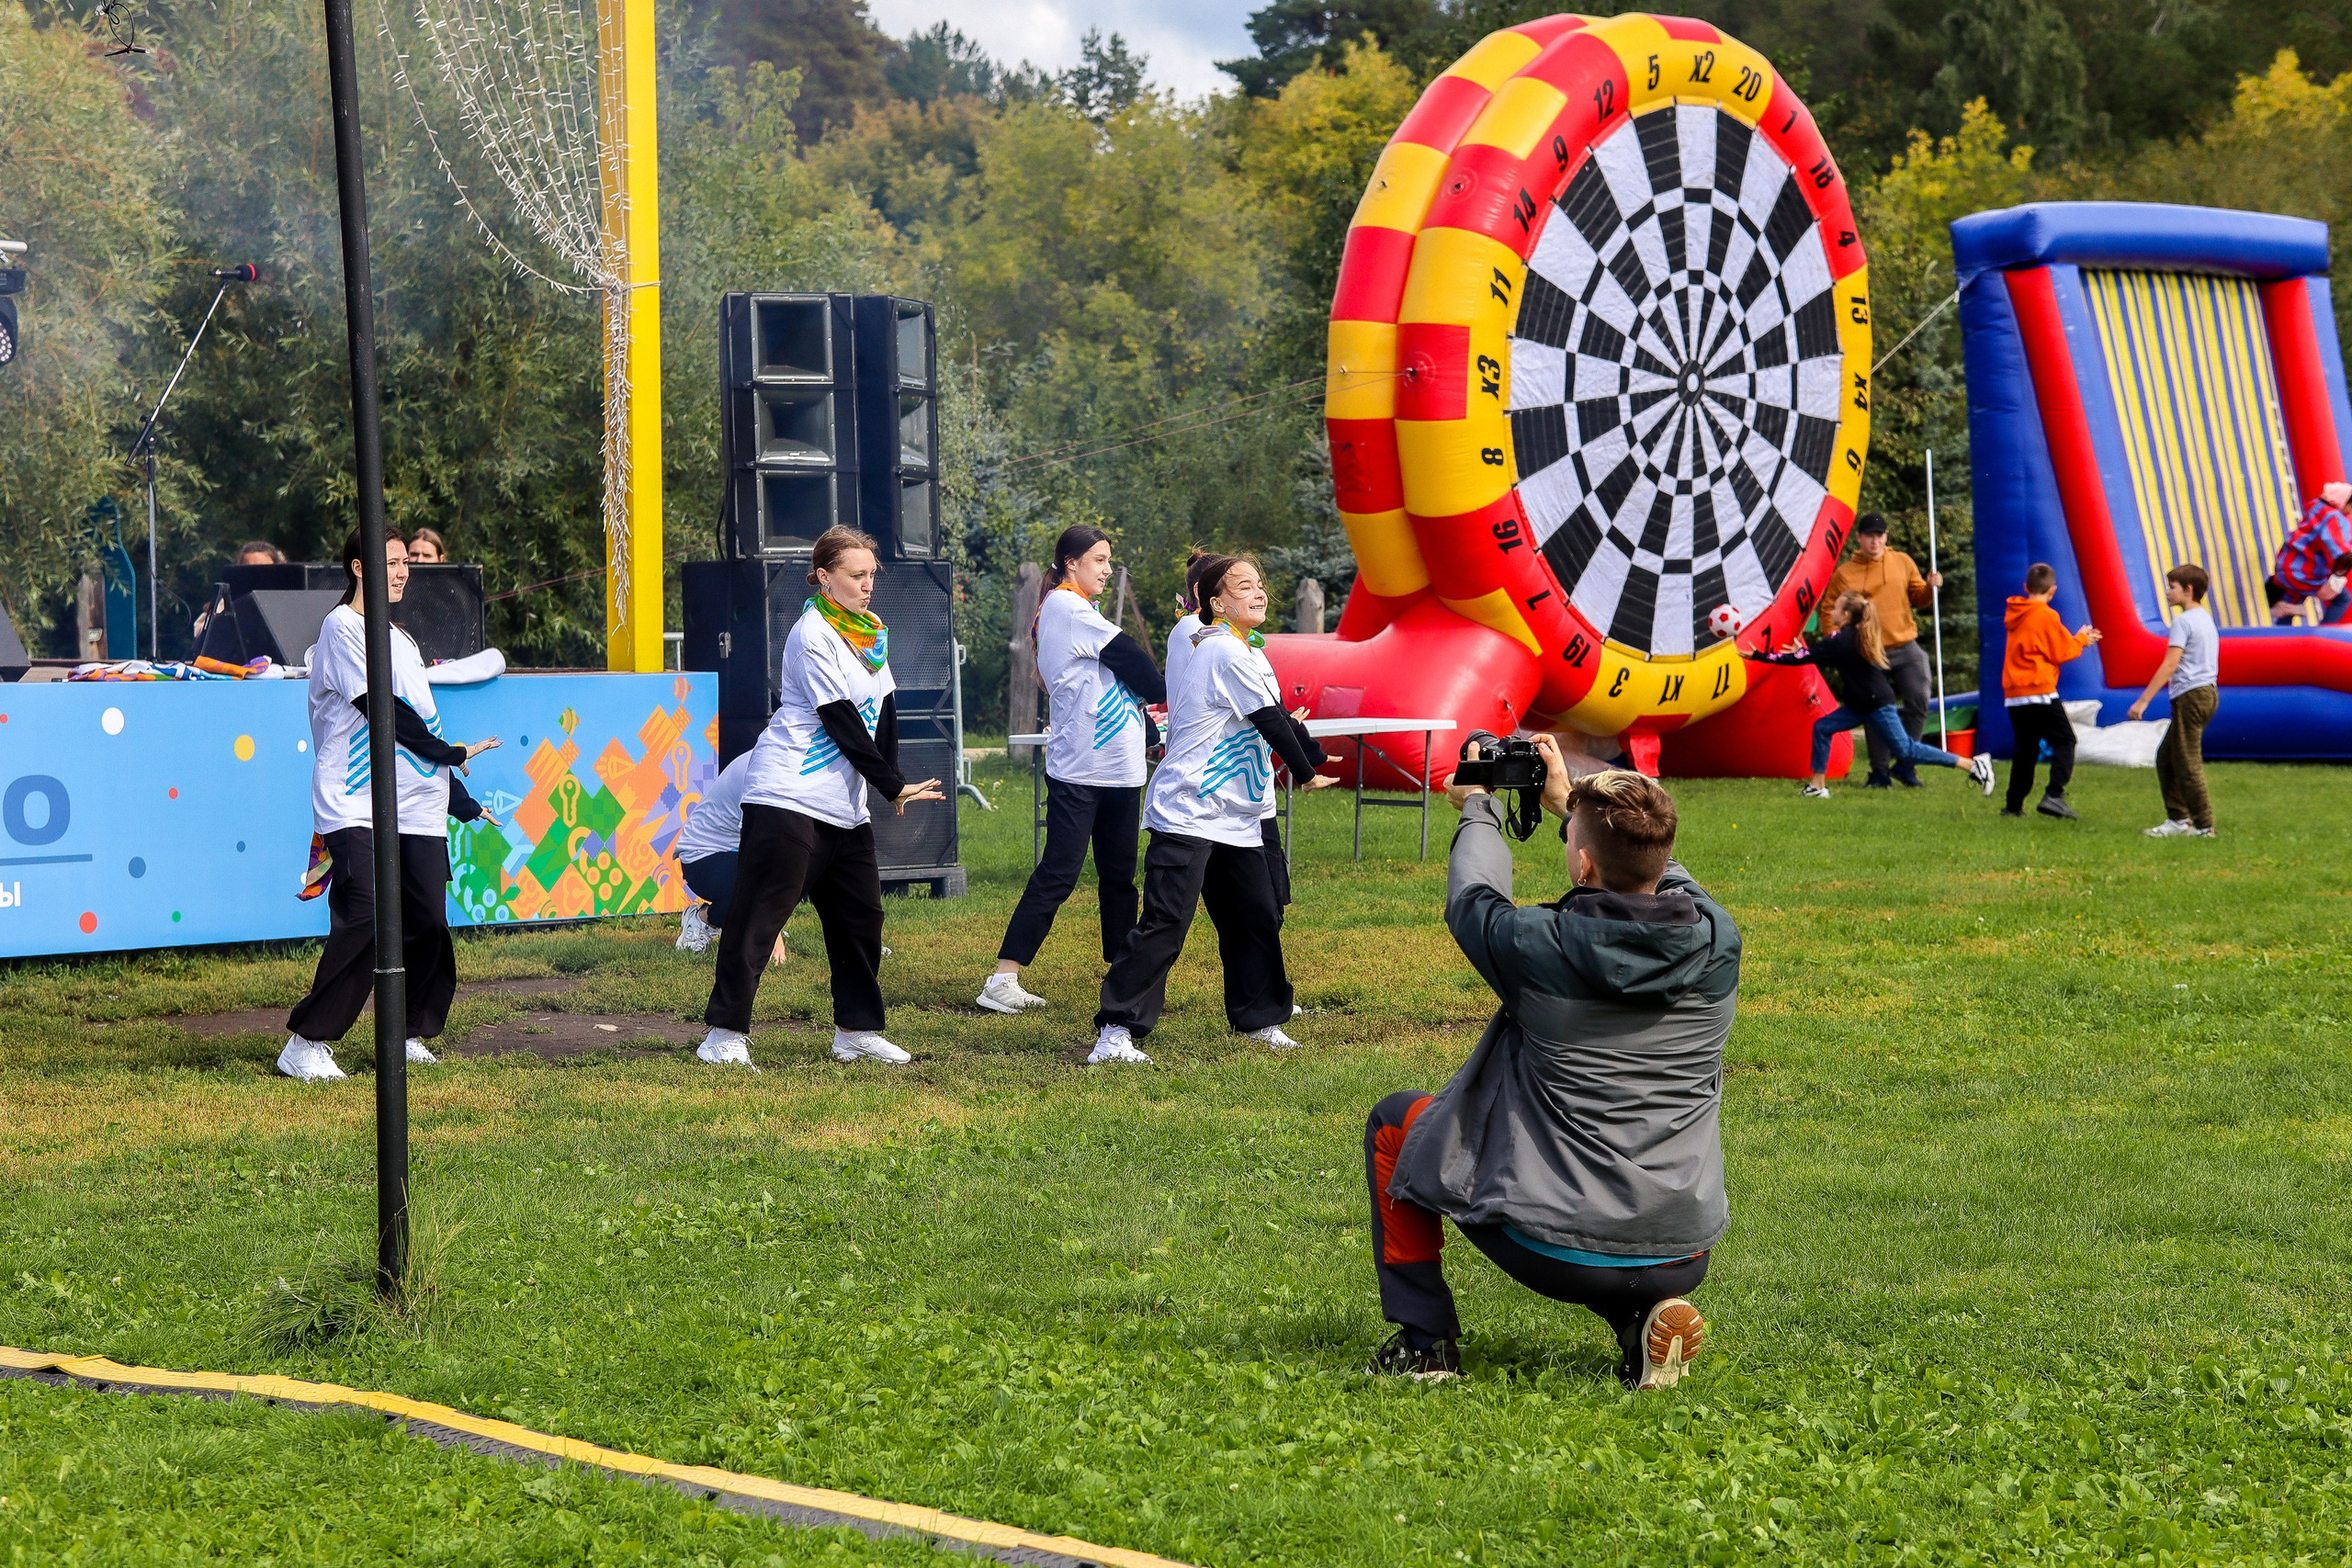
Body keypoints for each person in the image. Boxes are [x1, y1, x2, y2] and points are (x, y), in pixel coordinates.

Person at [1364, 740, 1735, 1389]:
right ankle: (1642, 1322)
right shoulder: (1718, 938)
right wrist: (1571, 805)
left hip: (1561, 1249)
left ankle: (1426, 1347)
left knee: (1396, 1123)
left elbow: (1473, 896)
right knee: (1619, 1249)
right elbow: (1662, 872)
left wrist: (1479, 806)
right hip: (1684, 1245)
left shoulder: (1536, 945)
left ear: (1583, 861)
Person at [695, 526, 944, 1069]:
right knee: (759, 917)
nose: (868, 585)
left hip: (844, 808)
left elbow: (884, 709)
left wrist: (893, 782)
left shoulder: (870, 631)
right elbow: (840, 719)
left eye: (872, 575)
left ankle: (855, 1033)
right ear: (825, 577)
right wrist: (889, 784)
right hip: (787, 795)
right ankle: (722, 1035)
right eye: (857, 575)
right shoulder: (812, 633)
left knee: (861, 922)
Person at [1090, 556, 1334, 1065]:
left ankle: (1259, 1019)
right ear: (1216, 603)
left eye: (1259, 584)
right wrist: (1306, 773)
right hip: (1189, 809)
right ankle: (1115, 1032)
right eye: (1244, 587)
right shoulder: (1221, 648)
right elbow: (1269, 720)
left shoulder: (1243, 648)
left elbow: (1278, 715)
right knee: (1166, 923)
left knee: (1254, 917)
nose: (1259, 593)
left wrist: (1309, 755)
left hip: (1236, 815)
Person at [278, 529, 502, 1081]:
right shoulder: (340, 628)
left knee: (426, 920)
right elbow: (382, 708)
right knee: (367, 915)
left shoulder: (401, 640)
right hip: (354, 800)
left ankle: (405, 1033)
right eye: (391, 563)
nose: (402, 572)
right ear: (359, 568)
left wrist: (458, 797)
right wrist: (449, 753)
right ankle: (307, 1042)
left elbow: (422, 720)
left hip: (416, 805)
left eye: (405, 563)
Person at [978, 525, 1169, 1013]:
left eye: (1109, 560)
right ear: (1071, 563)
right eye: (1099, 560)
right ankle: (1001, 980)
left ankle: (1124, 980)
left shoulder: (1080, 609)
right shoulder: (1067, 606)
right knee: (1059, 873)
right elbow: (1135, 663)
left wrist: (1150, 731)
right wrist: (1177, 691)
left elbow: (1116, 683)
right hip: (1082, 770)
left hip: (1120, 771)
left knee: (1119, 877)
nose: (1107, 570)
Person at [1747, 592, 1994, 799]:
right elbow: (1813, 655)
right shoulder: (1848, 637)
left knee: (1906, 750)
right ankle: (1817, 786)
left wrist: (1758, 656)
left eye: (1836, 608)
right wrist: (1804, 653)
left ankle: (1973, 765)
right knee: (1823, 727)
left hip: (1876, 705)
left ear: (1846, 615)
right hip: (1860, 705)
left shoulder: (1842, 640)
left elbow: (1800, 658)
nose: (1831, 612)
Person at [1822, 513, 1941, 787]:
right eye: (1869, 536)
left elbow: (1919, 597)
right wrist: (1836, 641)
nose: (1874, 541)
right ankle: (1879, 772)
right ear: (1859, 538)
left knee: (1919, 698)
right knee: (1875, 708)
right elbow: (1828, 610)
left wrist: (1930, 587)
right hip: (1868, 651)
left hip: (1905, 645)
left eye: (1879, 535)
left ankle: (1906, 765)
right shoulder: (1845, 574)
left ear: (1886, 537)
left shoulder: (1902, 561)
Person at [1994, 562, 2103, 820]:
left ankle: (2013, 806)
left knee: (2026, 749)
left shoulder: (2015, 613)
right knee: (2066, 740)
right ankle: (2054, 795)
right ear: (2052, 591)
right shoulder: (2045, 615)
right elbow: (2060, 651)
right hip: (2039, 690)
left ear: (2026, 587)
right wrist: (2082, 639)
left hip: (2015, 693)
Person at [671, 751, 787, 967]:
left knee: (796, 871)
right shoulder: (762, 769)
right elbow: (756, 851)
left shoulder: (780, 760)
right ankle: (703, 918)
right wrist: (771, 932)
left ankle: (755, 923)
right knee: (757, 894)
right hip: (702, 858)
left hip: (733, 852)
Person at [2130, 563, 2221, 838]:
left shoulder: (2184, 621)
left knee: (2186, 761)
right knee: (2167, 758)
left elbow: (2170, 665)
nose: (2168, 592)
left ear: (2188, 590)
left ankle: (2204, 826)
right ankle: (2178, 820)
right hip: (2207, 693)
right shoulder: (2204, 618)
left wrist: (2143, 701)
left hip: (2191, 695)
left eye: (2172, 587)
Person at [2268, 482, 2352, 624]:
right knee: (2343, 599)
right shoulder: (2333, 518)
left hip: (2287, 567)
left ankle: (2282, 631)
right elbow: (2339, 551)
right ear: (2344, 502)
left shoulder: (2317, 508)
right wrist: (2342, 569)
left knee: (2291, 605)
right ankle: (2325, 633)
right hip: (2305, 573)